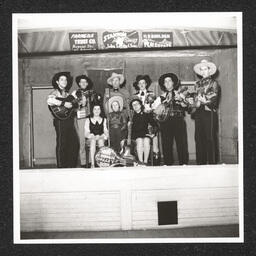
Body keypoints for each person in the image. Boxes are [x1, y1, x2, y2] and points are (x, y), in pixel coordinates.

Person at [153, 72, 189, 165]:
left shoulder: (180, 94)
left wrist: (181, 100)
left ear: (173, 83)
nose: (168, 83)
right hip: (165, 122)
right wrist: (161, 106)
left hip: (178, 120)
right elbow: (155, 112)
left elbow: (186, 106)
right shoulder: (160, 98)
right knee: (166, 144)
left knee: (181, 143)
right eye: (165, 81)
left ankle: (183, 163)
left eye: (169, 81)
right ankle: (167, 164)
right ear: (163, 85)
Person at [47, 72, 79, 168]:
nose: (64, 81)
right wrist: (63, 103)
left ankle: (70, 166)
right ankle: (61, 167)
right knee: (62, 143)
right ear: (57, 82)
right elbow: (49, 101)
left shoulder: (68, 94)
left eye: (65, 79)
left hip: (69, 121)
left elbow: (72, 108)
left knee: (74, 143)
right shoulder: (54, 92)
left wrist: (77, 104)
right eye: (62, 79)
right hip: (60, 121)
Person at [192, 59, 220, 164]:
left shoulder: (214, 83)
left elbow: (214, 100)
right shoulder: (197, 84)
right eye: (201, 69)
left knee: (210, 138)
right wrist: (192, 103)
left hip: (209, 113)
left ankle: (212, 164)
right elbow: (195, 101)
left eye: (205, 69)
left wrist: (205, 101)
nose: (203, 72)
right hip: (199, 113)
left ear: (209, 71)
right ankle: (200, 163)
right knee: (198, 138)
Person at [72, 74, 102, 167]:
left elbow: (97, 103)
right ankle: (83, 163)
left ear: (87, 83)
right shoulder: (74, 93)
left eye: (85, 82)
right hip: (80, 118)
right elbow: (72, 106)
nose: (83, 83)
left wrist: (98, 98)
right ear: (79, 83)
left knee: (91, 139)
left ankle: (91, 161)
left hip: (90, 118)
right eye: (81, 82)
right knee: (81, 141)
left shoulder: (92, 92)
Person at [133, 75, 160, 165]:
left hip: (149, 119)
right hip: (138, 121)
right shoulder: (134, 96)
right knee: (140, 140)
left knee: (152, 140)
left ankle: (154, 158)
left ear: (146, 84)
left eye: (143, 83)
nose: (141, 85)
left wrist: (150, 110)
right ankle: (141, 161)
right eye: (139, 83)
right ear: (137, 85)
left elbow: (156, 108)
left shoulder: (152, 94)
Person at [130, 98, 158, 165]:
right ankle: (140, 162)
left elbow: (155, 125)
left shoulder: (146, 114)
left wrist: (153, 133)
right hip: (135, 135)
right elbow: (131, 130)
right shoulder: (131, 116)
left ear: (140, 105)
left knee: (146, 140)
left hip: (145, 134)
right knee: (139, 140)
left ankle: (145, 162)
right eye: (133, 105)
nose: (135, 106)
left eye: (137, 104)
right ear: (132, 107)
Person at [84, 104, 109, 168]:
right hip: (91, 137)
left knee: (100, 141)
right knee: (93, 141)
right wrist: (91, 136)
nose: (97, 110)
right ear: (92, 110)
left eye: (98, 109)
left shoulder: (104, 119)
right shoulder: (88, 119)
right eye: (95, 109)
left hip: (101, 136)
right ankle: (92, 164)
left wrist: (103, 136)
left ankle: (101, 163)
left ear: (101, 110)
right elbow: (86, 132)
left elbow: (105, 130)